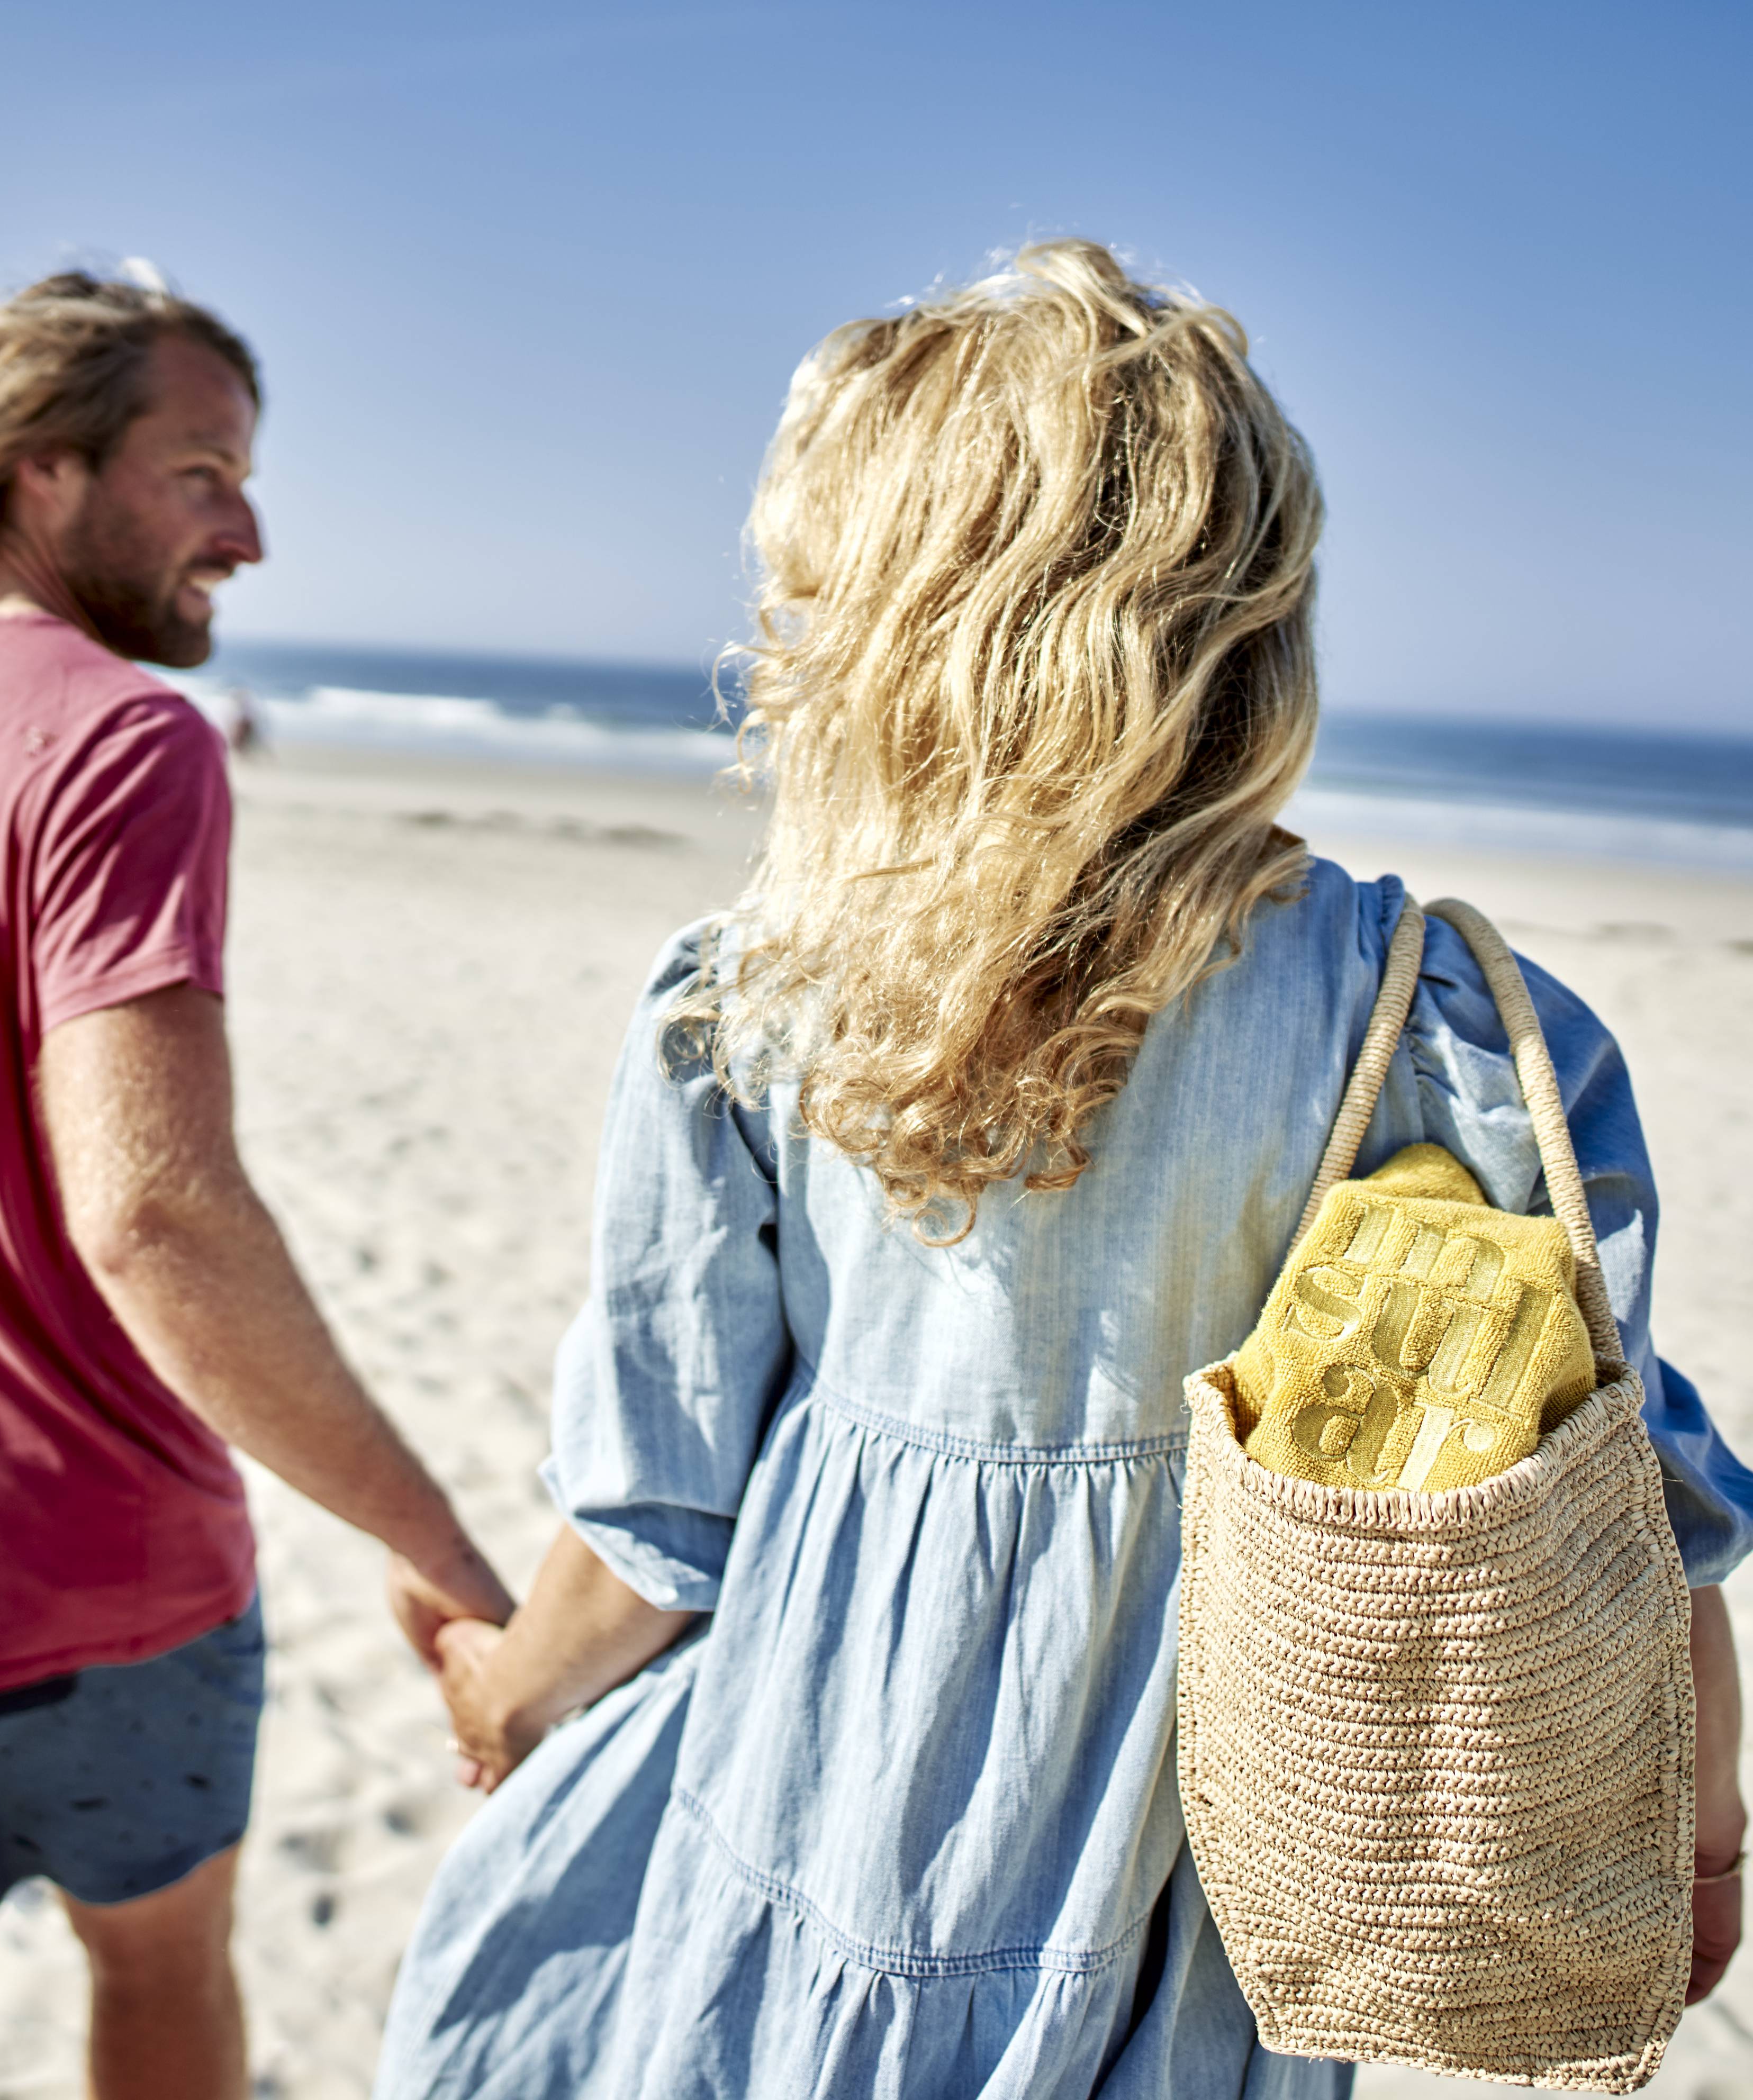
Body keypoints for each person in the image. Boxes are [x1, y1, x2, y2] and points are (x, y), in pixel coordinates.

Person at [374, 240, 1753, 2099]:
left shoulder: (754, 1003)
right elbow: (1624, 1505)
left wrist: (506, 1692)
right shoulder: (1443, 1027)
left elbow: (657, 1515)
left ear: (866, 613)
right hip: (1190, 1875)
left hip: (807, 1811)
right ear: (1243, 613)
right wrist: (1699, 1836)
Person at [0, 272, 511, 2099]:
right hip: (75, 1570)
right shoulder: (121, 742)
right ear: (40, 471)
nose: (251, 529)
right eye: (203, 471)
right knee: (161, 1993)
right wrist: (430, 1541)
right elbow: (154, 1211)